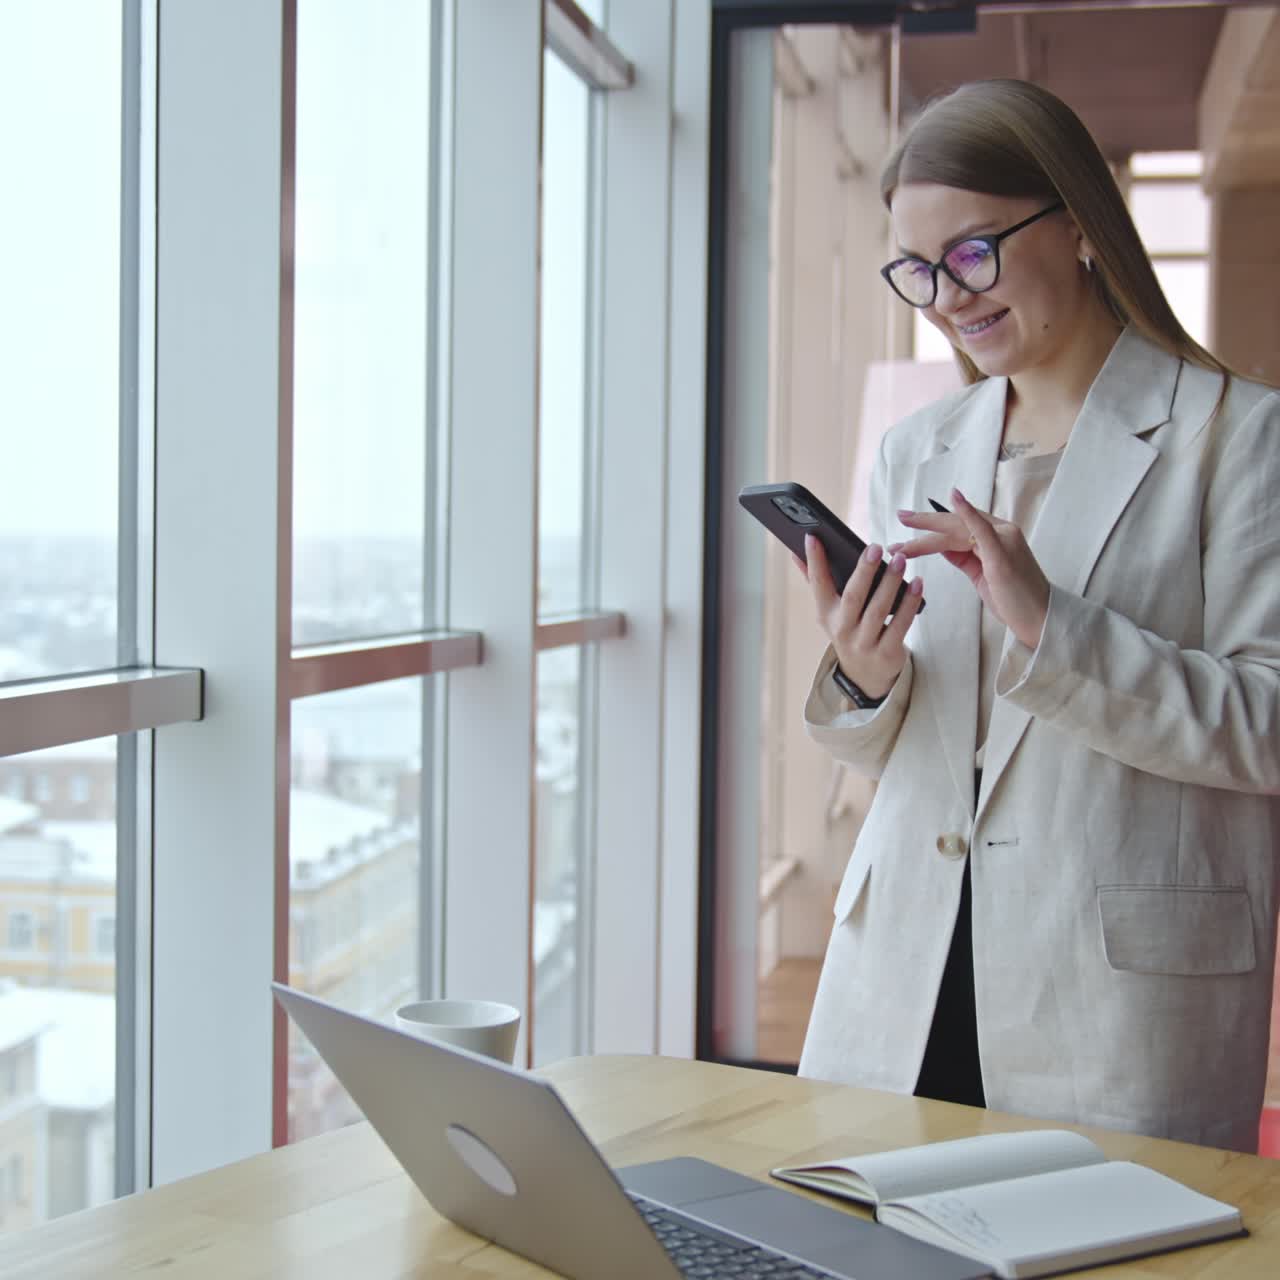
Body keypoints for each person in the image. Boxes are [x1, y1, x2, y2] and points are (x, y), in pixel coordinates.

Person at [795, 77, 1280, 1153]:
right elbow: (903, 744)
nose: (944, 296)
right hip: (905, 962)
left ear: (1073, 223)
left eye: (971, 253)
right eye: (915, 271)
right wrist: (860, 676)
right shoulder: (913, 447)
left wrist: (1050, 625)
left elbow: (1266, 724)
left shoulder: (1238, 438)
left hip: (1110, 987)